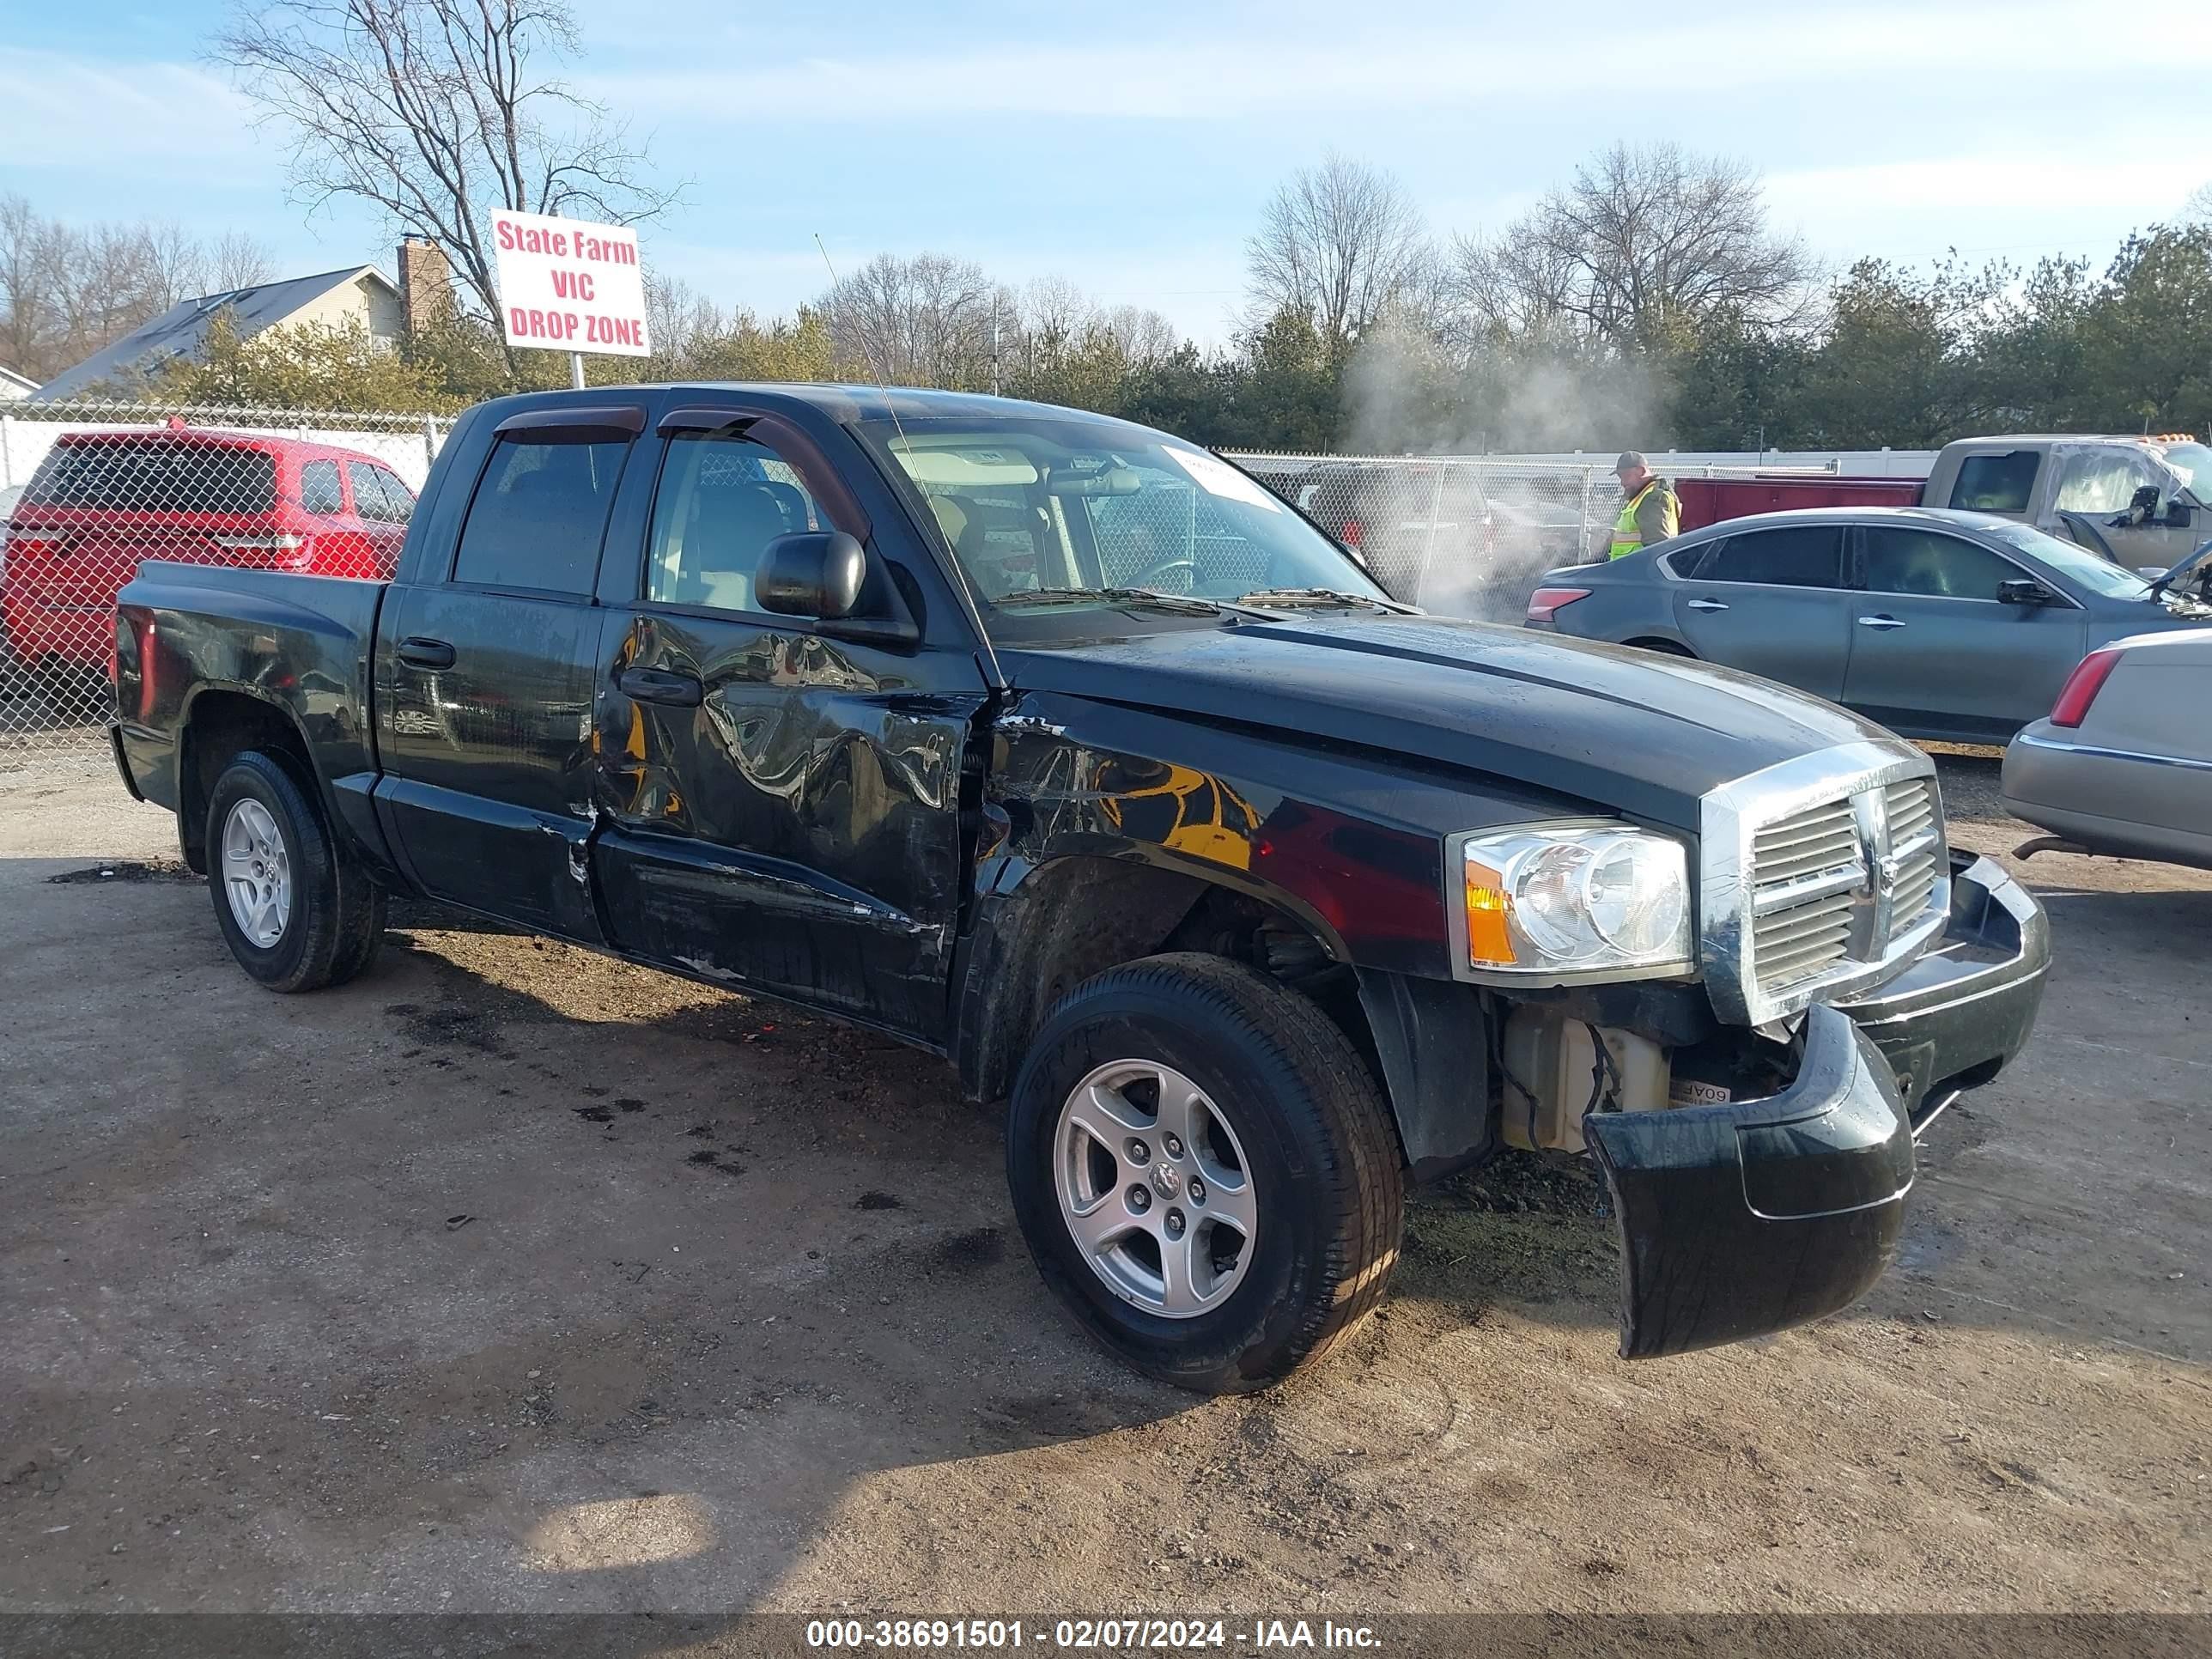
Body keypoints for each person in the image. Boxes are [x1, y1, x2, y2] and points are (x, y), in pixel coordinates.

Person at [1605, 452, 1680, 559]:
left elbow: (1657, 547)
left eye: (1626, 476)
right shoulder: (1643, 496)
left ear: (1642, 471)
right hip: (1631, 571)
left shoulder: (1651, 500)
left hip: (1637, 572)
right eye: (1620, 477)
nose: (1622, 482)